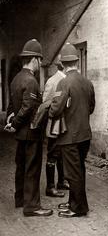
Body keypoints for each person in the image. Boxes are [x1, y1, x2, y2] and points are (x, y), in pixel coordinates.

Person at [4, 39, 53, 217]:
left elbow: (12, 105)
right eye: (40, 60)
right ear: (34, 59)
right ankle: (32, 206)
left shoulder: (16, 78)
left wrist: (10, 122)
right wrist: (15, 123)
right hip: (31, 133)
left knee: (21, 165)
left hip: (20, 135)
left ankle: (20, 199)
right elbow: (27, 108)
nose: (41, 64)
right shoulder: (31, 81)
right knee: (32, 168)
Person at [49, 42, 95, 217]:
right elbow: (91, 107)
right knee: (79, 170)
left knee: (72, 173)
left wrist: (54, 108)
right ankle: (73, 202)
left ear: (63, 64)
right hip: (85, 135)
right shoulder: (87, 82)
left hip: (69, 136)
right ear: (76, 62)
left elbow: (55, 109)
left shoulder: (64, 83)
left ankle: (78, 208)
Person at [43, 58, 69, 197]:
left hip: (65, 124)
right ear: (64, 65)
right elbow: (45, 103)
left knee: (62, 153)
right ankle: (50, 186)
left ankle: (61, 181)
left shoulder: (66, 80)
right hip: (55, 123)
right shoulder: (53, 81)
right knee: (53, 153)